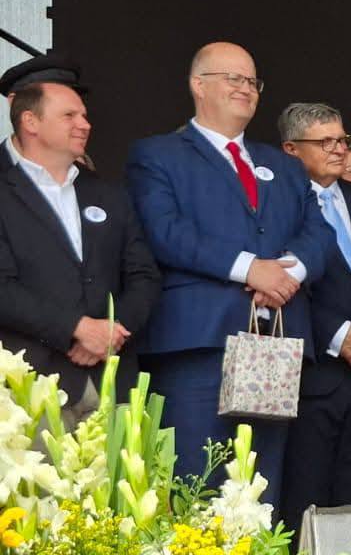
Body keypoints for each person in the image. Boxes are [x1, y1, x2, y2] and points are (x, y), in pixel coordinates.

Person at [126, 43, 332, 505]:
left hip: (274, 347)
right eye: (233, 78)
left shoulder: (284, 165)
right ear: (198, 85)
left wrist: (287, 275)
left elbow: (318, 232)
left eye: (252, 81)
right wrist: (250, 269)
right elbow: (164, 231)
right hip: (199, 346)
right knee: (197, 488)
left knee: (262, 490)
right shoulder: (158, 154)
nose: (246, 88)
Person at [0, 68, 160, 425]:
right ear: (30, 122)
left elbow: (144, 276)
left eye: (84, 116)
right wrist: (76, 328)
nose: (84, 124)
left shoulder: (105, 192)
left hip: (112, 381)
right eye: (69, 115)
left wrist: (111, 331)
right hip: (31, 386)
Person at [278, 103, 351, 530]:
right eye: (324, 141)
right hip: (309, 376)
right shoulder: (278, 206)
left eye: (341, 139)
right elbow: (281, 280)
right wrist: (338, 333)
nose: (338, 149)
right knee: (303, 502)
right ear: (292, 149)